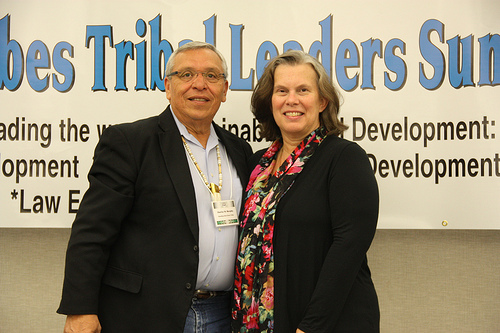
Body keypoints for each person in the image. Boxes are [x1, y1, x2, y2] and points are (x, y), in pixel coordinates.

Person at [57, 41, 253, 333]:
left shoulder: (240, 150)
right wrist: (80, 309)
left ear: (224, 90)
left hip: (224, 314)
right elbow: (92, 231)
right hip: (147, 313)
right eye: (186, 74)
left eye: (211, 76)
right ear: (168, 86)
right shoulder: (131, 143)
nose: (199, 84)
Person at [232, 50, 380, 333]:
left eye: (303, 90)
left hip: (325, 324)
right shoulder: (257, 165)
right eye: (282, 91)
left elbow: (348, 249)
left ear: (322, 100)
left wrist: (310, 328)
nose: (292, 100)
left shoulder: (345, 158)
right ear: (270, 100)